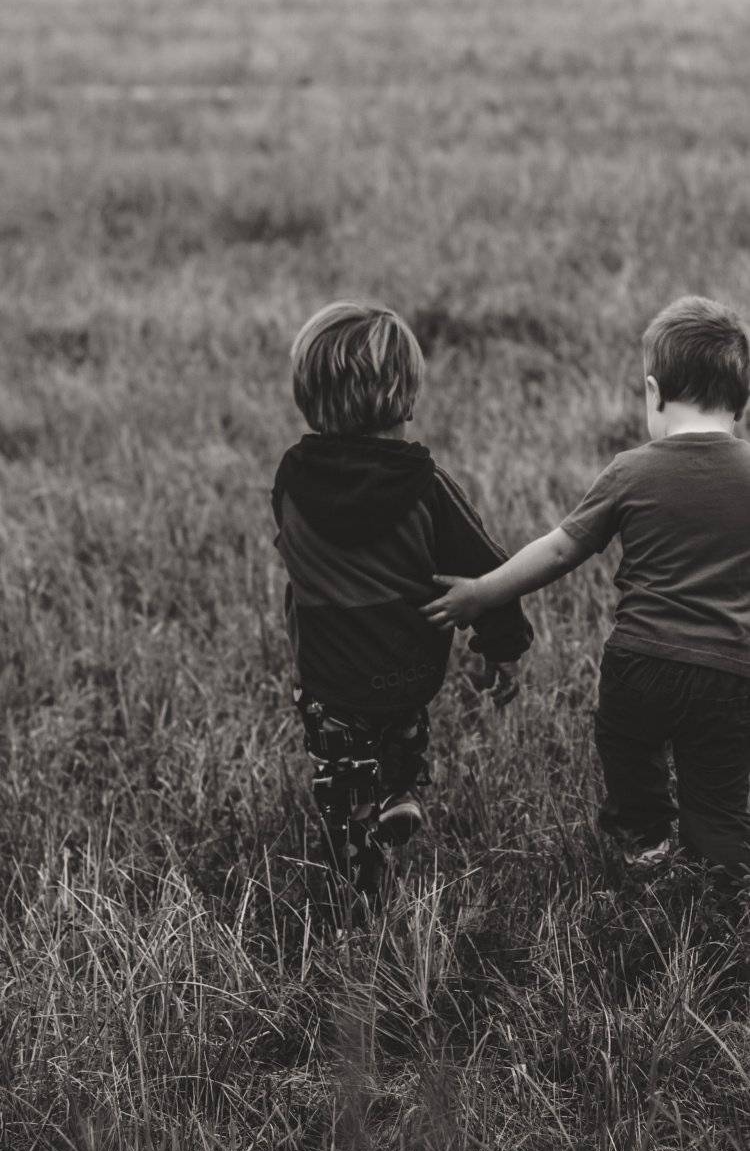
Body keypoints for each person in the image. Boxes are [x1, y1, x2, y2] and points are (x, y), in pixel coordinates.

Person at [423, 296, 750, 880]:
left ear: (655, 392)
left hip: (639, 663)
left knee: (627, 749)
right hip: (729, 672)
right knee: (721, 783)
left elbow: (557, 550)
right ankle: (719, 865)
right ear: (741, 404)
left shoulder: (630, 470)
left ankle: (642, 840)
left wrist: (481, 593)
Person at [272, 300, 533, 919]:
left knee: (344, 782)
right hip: (409, 669)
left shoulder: (292, 479)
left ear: (309, 397)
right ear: (406, 397)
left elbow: (290, 552)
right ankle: (402, 789)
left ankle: (361, 875)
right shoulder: (426, 486)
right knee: (402, 730)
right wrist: (503, 646)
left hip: (331, 679)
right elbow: (489, 570)